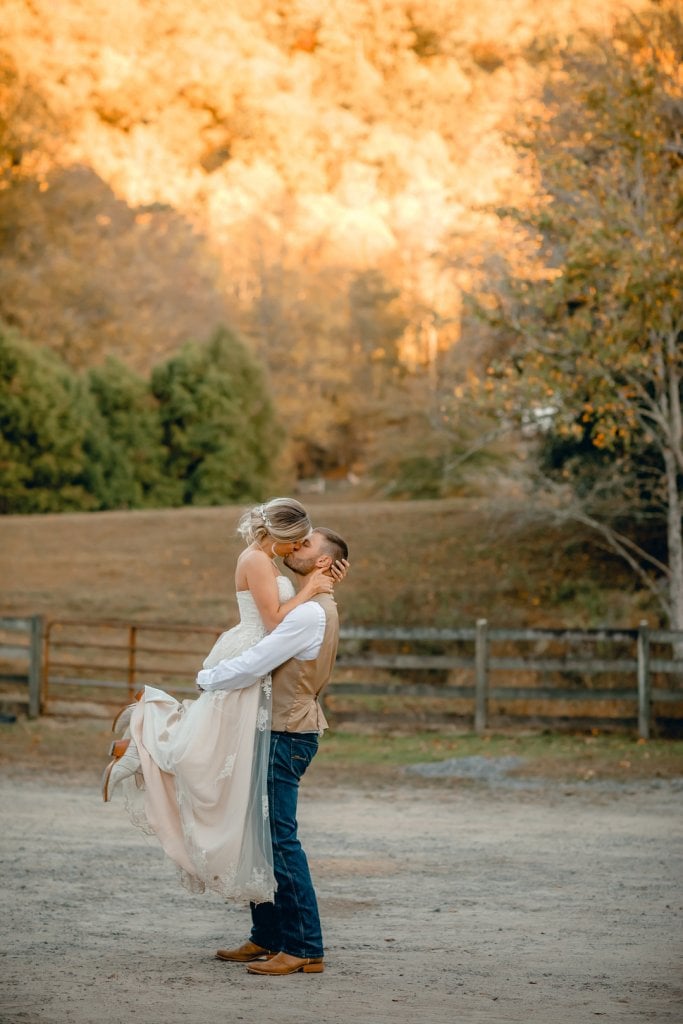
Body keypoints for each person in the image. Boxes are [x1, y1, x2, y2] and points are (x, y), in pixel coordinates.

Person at [101, 498, 343, 906]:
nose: (296, 548)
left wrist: (317, 583)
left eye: (305, 544)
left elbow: (287, 615)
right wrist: (312, 587)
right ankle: (146, 734)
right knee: (208, 751)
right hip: (253, 650)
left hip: (261, 660)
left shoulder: (275, 568)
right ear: (280, 536)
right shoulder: (257, 561)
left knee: (212, 749)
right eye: (296, 541)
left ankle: (144, 738)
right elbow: (274, 622)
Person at [195, 526, 349, 977]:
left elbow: (256, 661)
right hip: (280, 729)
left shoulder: (308, 615)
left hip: (288, 733)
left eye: (306, 545)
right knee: (261, 834)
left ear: (323, 562)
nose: (295, 546)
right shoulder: (316, 604)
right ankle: (267, 936)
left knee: (280, 837)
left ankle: (304, 946)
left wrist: (207, 679)